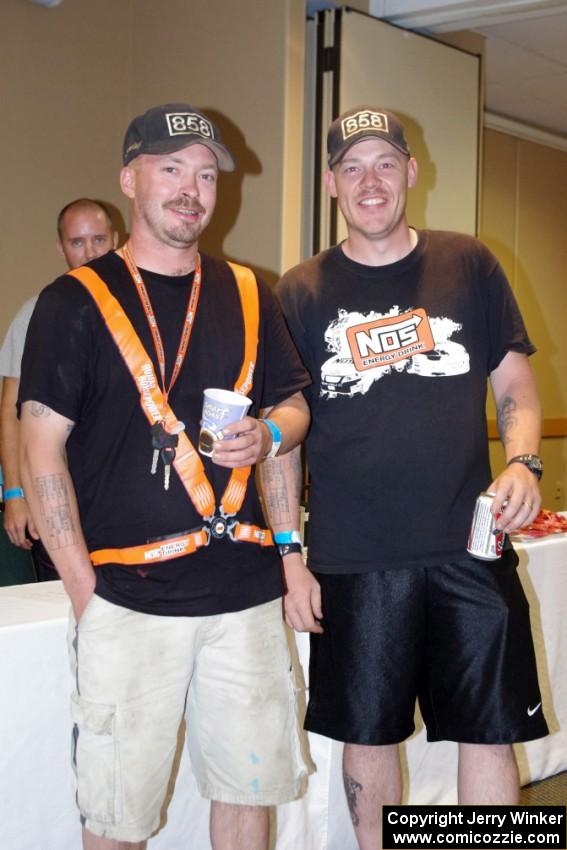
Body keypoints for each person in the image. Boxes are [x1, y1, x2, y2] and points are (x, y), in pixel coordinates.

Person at [19, 102, 311, 850]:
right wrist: (83, 584)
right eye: (171, 168)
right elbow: (40, 446)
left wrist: (272, 443)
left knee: (248, 792)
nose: (192, 188)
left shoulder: (250, 293)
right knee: (118, 815)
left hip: (244, 599)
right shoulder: (74, 302)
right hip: (128, 600)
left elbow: (291, 415)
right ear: (130, 179)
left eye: (206, 173)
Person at [269, 106, 548, 849]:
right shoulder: (297, 293)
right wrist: (288, 556)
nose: (370, 181)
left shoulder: (469, 262)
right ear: (331, 182)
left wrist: (523, 459)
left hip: (469, 545)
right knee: (369, 734)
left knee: (487, 731)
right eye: (352, 166)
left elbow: (513, 386)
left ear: (410, 174)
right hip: (353, 557)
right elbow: (281, 439)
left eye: (385, 164)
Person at [0, 199, 118, 580]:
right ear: (61, 247)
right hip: (57, 503)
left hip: (124, 502)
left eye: (99, 240)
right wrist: (15, 495)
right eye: (77, 242)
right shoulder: (37, 312)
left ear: (116, 239)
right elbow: (10, 411)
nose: (90, 253)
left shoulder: (139, 310)